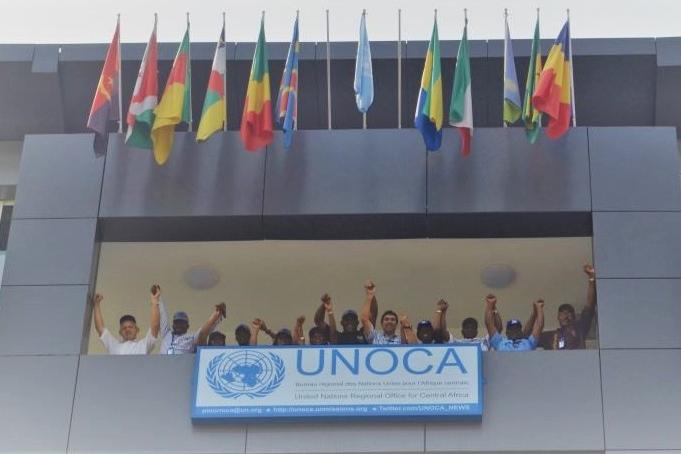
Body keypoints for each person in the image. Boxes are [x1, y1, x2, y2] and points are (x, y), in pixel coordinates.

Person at [526, 264, 598, 350]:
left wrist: (591, 278)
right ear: (558, 317)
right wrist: (535, 312)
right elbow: (527, 336)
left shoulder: (580, 328)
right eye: (562, 314)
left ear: (574, 316)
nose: (566, 316)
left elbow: (590, 304)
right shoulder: (551, 336)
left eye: (569, 313)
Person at [92, 285, 161, 355]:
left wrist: (155, 301)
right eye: (124, 328)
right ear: (120, 332)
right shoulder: (114, 346)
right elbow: (100, 329)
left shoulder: (143, 345)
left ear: (137, 330)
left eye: (130, 327)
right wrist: (96, 305)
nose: (127, 330)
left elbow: (155, 326)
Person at [158, 288, 226, 354]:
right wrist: (158, 297)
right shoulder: (166, 334)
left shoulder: (191, 337)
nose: (179, 325)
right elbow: (163, 314)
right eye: (177, 323)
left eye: (182, 323)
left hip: (182, 362)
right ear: (173, 325)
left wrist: (216, 316)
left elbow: (204, 331)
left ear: (187, 326)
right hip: (162, 362)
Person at [360, 280, 416, 344]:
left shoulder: (401, 340)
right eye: (386, 319)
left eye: (393, 320)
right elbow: (364, 319)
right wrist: (370, 295)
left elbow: (414, 347)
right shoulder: (374, 337)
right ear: (381, 323)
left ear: (396, 324)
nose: (389, 321)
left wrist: (406, 325)